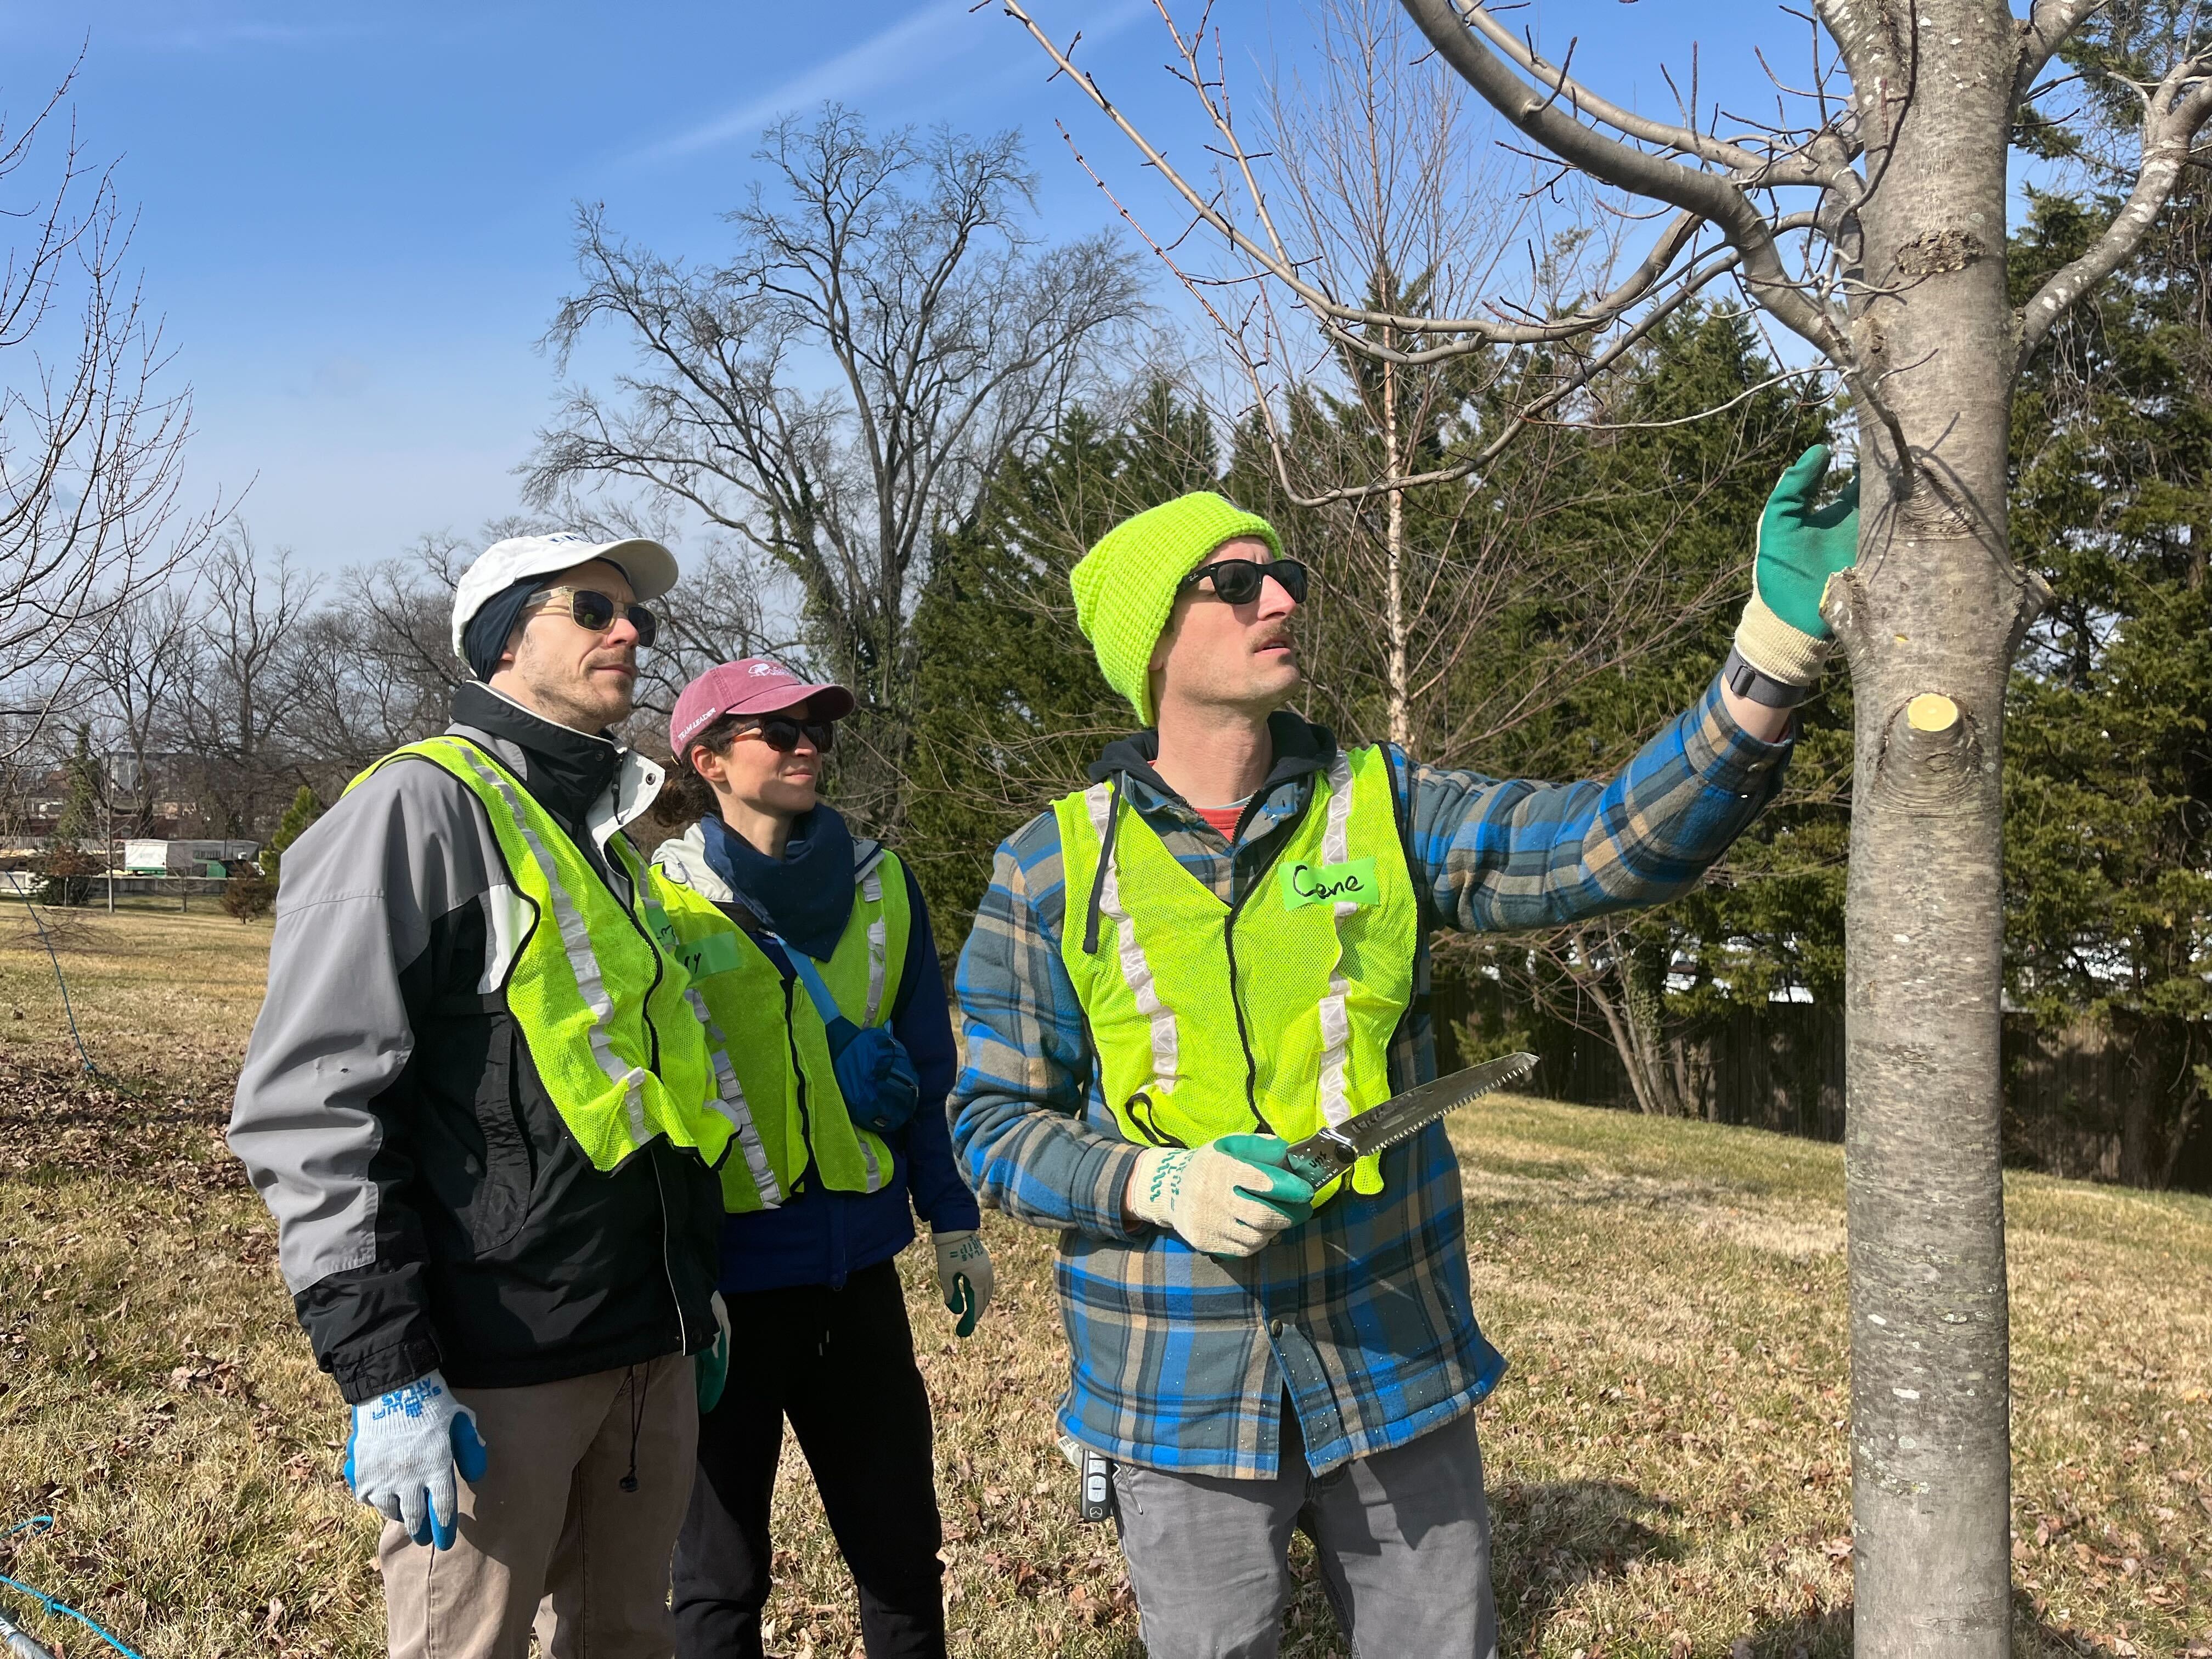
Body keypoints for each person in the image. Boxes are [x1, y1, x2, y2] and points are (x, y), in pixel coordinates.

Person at [950, 450, 1858, 1658]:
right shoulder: (1048, 867)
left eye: (1284, 575)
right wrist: (1156, 1183)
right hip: (1170, 1385)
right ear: (1152, 647)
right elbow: (993, 1129)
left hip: (1393, 1361)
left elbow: (1604, 847)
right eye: (1235, 584)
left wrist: (1774, 657)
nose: (1281, 598)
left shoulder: (1385, 806)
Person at [230, 531, 739, 1659]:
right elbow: (313, 1108)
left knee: (627, 1639)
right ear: (507, 636)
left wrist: (688, 1292)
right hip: (494, 1364)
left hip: (645, 1346)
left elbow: (641, 1091)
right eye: (593, 609)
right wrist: (387, 1371)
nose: (630, 634)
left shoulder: (609, 836)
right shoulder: (416, 808)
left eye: (638, 619)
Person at [648, 658, 990, 1659]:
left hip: (858, 1285)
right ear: (706, 760)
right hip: (724, 1296)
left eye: (818, 731)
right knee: (716, 1583)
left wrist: (955, 1217)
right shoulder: (658, 899)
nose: (808, 746)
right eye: (778, 731)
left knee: (900, 1561)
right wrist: (676, 1266)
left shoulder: (885, 883)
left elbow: (928, 1065)